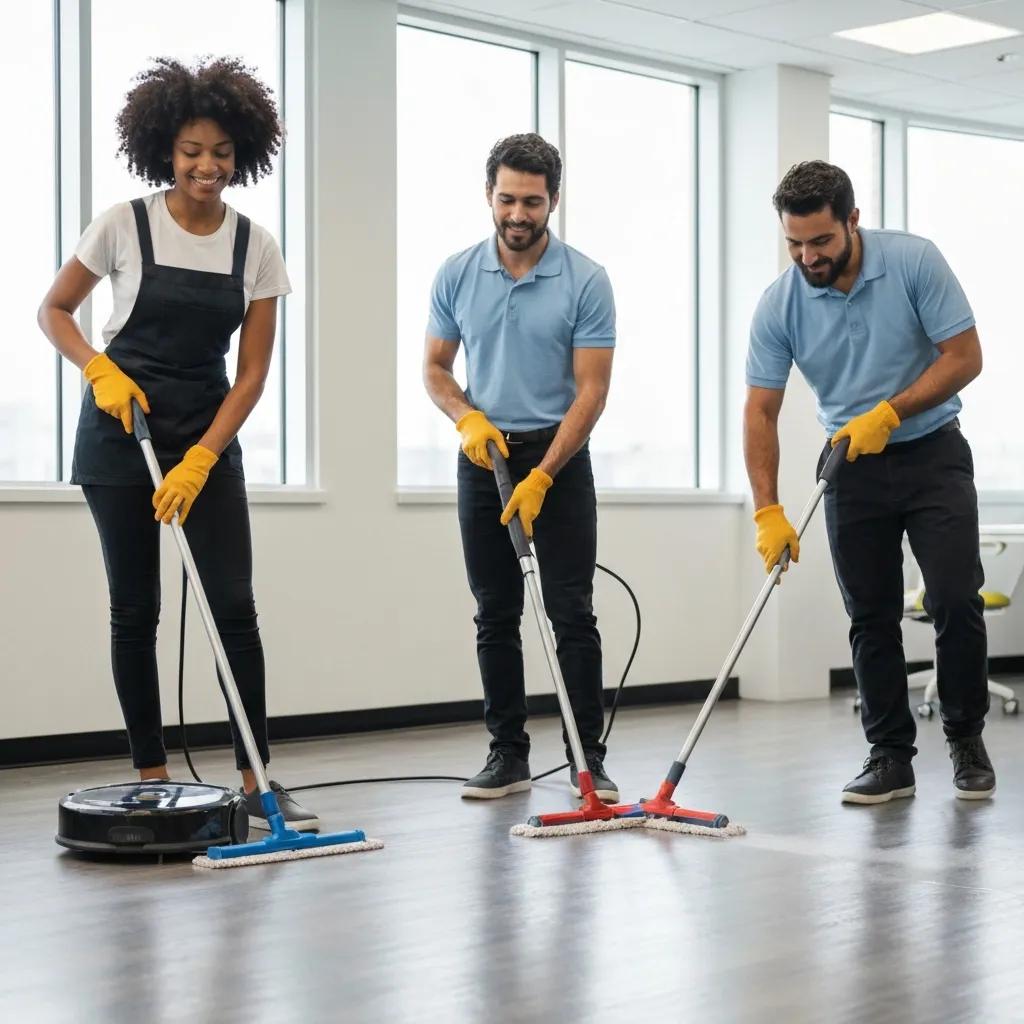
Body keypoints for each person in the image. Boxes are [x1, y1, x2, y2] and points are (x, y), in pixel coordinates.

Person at [37, 57, 318, 831]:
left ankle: (258, 778)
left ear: (243, 154)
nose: (207, 166)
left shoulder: (254, 245)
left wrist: (202, 457)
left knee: (235, 608)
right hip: (119, 432)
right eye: (193, 150)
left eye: (222, 151)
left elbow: (254, 374)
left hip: (206, 431)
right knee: (137, 609)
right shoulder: (122, 224)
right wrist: (98, 370)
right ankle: (152, 777)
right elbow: (55, 310)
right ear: (166, 147)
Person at [744, 160, 994, 804]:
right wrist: (765, 510)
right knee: (869, 615)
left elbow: (965, 357)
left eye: (821, 241)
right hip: (850, 466)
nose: (807, 256)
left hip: (933, 453)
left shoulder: (913, 262)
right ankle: (889, 757)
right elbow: (760, 410)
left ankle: (966, 738)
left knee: (954, 597)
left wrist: (890, 412)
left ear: (852, 220)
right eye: (794, 243)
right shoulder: (779, 304)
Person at [423, 133, 618, 801]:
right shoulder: (456, 273)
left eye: (531, 202)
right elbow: (435, 367)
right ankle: (507, 753)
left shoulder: (586, 280)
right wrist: (465, 417)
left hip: (557, 453)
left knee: (571, 611)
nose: (517, 213)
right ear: (489, 196)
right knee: (494, 611)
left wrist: (545, 473)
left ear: (553, 201)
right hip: (484, 454)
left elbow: (591, 390)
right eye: (506, 198)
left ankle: (586, 759)